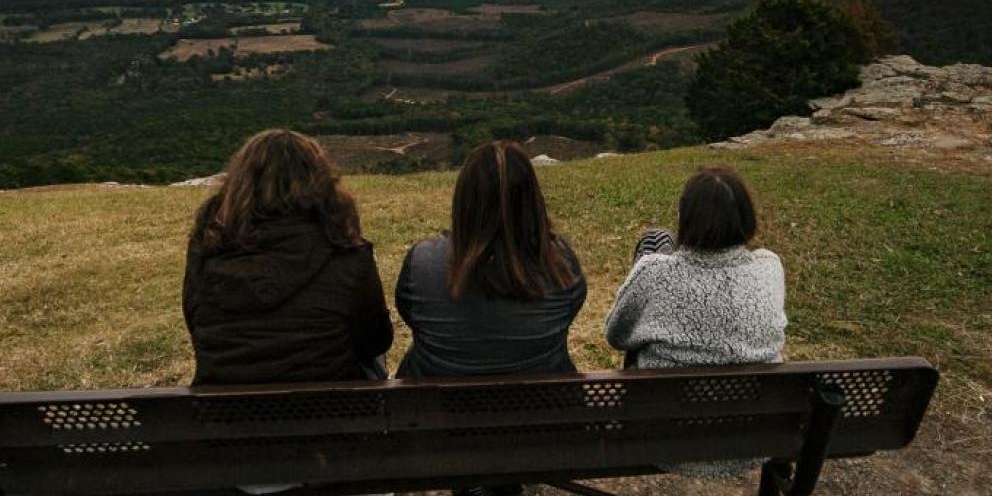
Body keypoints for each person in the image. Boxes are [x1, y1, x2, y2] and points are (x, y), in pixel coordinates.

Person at [182, 129, 392, 386]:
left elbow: (196, 325)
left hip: (221, 419)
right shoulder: (347, 255)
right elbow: (375, 340)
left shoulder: (206, 251)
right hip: (332, 415)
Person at [395, 140, 587, 379]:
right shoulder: (562, 265)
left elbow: (411, 316)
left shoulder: (421, 263)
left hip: (439, 412)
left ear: (464, 199)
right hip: (543, 410)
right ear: (532, 199)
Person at [606, 165, 786, 370]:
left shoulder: (653, 272)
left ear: (685, 217)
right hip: (760, 399)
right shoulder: (770, 267)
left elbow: (616, 336)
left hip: (664, 400)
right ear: (747, 217)